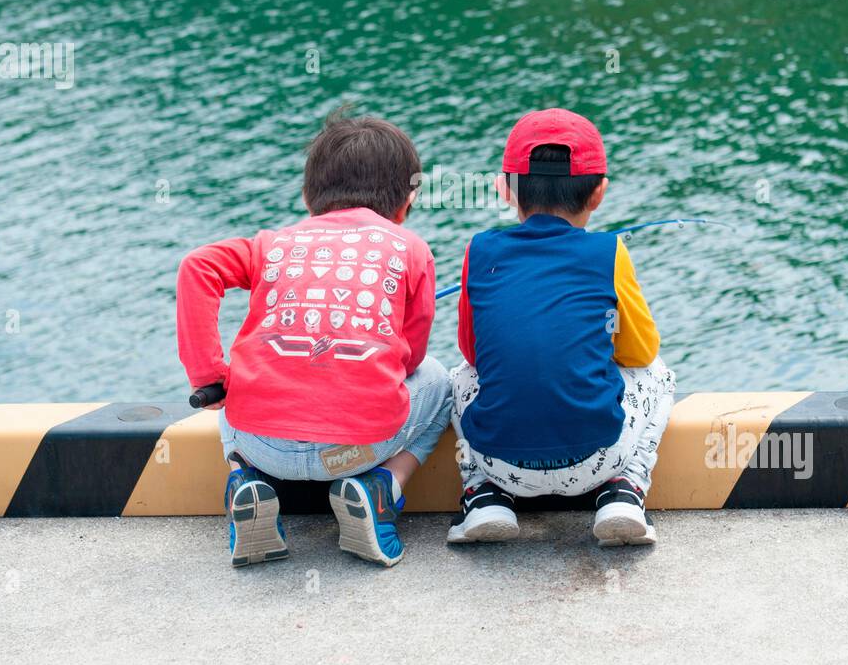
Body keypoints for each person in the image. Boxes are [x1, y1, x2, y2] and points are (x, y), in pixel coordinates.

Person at [177, 110, 450, 568]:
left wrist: (210, 375)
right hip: (359, 452)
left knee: (239, 378)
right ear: (408, 200)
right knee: (439, 381)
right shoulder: (412, 249)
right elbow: (410, 360)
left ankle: (245, 478)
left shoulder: (270, 244)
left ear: (308, 196)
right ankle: (380, 488)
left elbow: (197, 267)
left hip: (263, 444)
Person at [448, 108, 675, 547]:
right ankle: (626, 491)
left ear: (505, 190)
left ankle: (483, 495)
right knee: (660, 374)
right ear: (599, 194)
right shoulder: (609, 252)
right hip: (600, 457)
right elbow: (641, 353)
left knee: (458, 375)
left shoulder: (479, 250)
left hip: (501, 461)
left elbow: (474, 353)